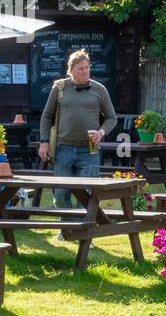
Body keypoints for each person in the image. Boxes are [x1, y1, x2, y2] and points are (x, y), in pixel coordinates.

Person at [38, 49, 118, 208]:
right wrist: (44, 141)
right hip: (63, 147)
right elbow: (47, 116)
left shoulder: (99, 89)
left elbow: (112, 117)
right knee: (60, 194)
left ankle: (82, 231)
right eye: (80, 68)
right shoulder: (59, 88)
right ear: (70, 70)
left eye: (87, 67)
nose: (85, 71)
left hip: (90, 148)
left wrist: (101, 132)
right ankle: (67, 231)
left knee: (87, 194)